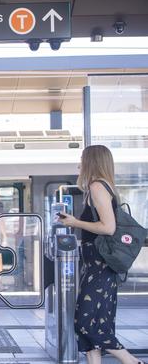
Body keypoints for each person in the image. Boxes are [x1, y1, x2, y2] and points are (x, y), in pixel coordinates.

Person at [59, 145, 144, 364]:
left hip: (100, 265)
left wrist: (75, 222)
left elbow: (108, 228)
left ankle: (131, 361)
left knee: (85, 323)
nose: (79, 163)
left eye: (82, 158)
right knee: (99, 324)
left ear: (91, 161)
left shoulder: (97, 187)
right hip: (96, 264)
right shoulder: (98, 187)